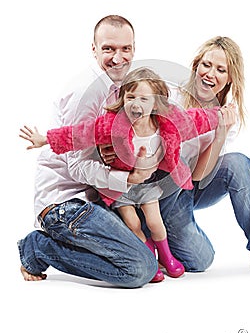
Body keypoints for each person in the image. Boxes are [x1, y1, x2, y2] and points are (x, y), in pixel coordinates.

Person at [19, 67, 223, 281]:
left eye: (144, 99)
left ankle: (167, 257)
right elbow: (81, 133)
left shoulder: (168, 122)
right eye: (131, 97)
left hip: (147, 185)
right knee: (133, 224)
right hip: (121, 188)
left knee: (155, 222)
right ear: (123, 98)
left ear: (156, 103)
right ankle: (148, 259)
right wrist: (45, 139)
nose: (136, 104)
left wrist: (220, 115)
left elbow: (196, 120)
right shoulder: (113, 124)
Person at [17, 15, 162, 287]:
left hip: (97, 197)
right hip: (66, 204)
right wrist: (127, 178)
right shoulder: (86, 92)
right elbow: (76, 166)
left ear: (134, 49)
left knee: (153, 221)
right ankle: (38, 247)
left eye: (125, 49)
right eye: (108, 49)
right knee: (140, 269)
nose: (118, 58)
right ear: (94, 49)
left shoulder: (123, 88)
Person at [158, 36, 250, 279]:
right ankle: (158, 236)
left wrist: (220, 133)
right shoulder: (174, 95)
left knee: (238, 163)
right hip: (164, 188)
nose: (210, 74)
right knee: (202, 259)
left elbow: (199, 176)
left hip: (191, 187)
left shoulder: (229, 115)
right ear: (196, 65)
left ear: (230, 78)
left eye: (221, 70)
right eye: (206, 65)